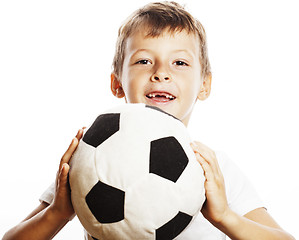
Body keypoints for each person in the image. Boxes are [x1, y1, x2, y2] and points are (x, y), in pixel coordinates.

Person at [2, 1, 295, 240]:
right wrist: (57, 213)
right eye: (144, 61)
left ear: (204, 85)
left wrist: (225, 217)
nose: (161, 73)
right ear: (117, 83)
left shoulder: (214, 168)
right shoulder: (90, 158)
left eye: (179, 63)